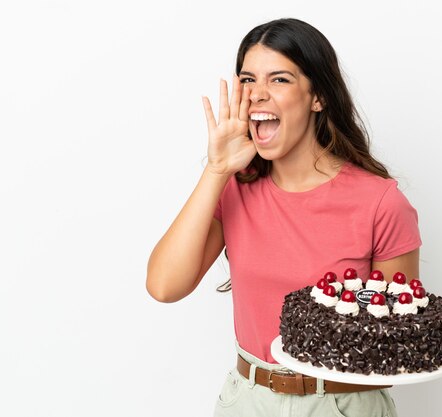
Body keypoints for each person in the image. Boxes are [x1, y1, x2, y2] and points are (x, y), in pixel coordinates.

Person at [146, 18, 421, 417]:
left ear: (318, 97)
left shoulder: (380, 202)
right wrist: (216, 169)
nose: (257, 94)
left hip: (341, 406)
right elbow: (164, 285)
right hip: (248, 400)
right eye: (247, 79)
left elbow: (397, 350)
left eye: (279, 80)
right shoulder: (234, 188)